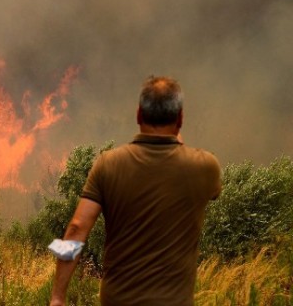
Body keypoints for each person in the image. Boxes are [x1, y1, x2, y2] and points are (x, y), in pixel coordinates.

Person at [49, 76, 221, 306]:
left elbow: (77, 228)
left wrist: (58, 297)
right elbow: (212, 190)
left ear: (138, 115)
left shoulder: (108, 164)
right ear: (180, 118)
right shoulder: (205, 166)